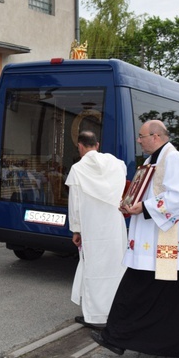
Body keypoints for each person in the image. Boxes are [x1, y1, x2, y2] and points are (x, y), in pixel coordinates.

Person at [92, 120, 179, 358]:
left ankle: (117, 337)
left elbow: (178, 197)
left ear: (156, 136)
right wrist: (129, 202)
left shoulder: (173, 159)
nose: (138, 140)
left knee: (142, 286)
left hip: (169, 241)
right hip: (162, 240)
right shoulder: (153, 160)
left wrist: (144, 208)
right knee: (173, 291)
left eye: (141, 136)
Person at [65, 130, 127, 329]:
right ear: (97, 145)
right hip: (114, 226)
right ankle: (115, 312)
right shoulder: (117, 164)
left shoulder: (77, 169)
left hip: (92, 227)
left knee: (93, 268)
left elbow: (74, 204)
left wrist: (76, 230)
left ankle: (94, 316)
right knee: (115, 267)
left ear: (80, 146)